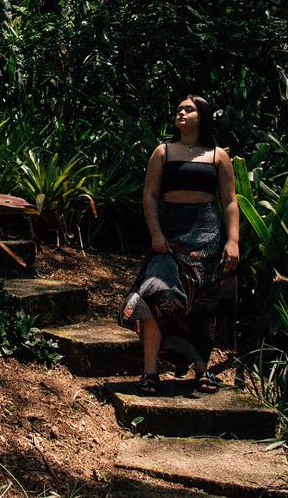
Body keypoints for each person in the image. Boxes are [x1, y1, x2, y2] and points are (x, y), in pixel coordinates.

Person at [118, 95, 240, 395]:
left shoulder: (218, 155)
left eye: (189, 109)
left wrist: (233, 240)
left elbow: (229, 201)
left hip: (207, 234)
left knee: (202, 302)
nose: (181, 113)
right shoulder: (163, 152)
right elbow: (149, 195)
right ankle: (150, 372)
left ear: (202, 117)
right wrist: (156, 234)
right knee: (151, 294)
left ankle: (202, 369)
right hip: (170, 232)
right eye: (179, 110)